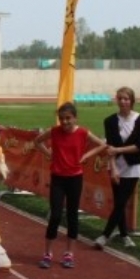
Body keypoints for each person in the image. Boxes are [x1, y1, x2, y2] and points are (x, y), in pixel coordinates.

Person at [34, 102, 108, 269]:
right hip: (58, 178)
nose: (65, 122)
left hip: (75, 178)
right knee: (55, 215)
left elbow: (102, 144)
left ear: (75, 118)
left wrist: (86, 155)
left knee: (72, 215)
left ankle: (69, 253)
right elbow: (37, 141)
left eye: (68, 118)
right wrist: (48, 154)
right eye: (62, 119)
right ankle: (47, 252)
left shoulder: (82, 133)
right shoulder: (54, 131)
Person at [95, 87, 140, 250]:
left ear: (132, 101)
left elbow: (139, 146)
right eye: (121, 99)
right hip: (116, 165)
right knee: (119, 202)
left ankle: (105, 235)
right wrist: (113, 168)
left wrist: (119, 150)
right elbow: (110, 146)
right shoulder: (110, 121)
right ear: (117, 100)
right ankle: (124, 236)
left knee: (121, 202)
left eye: (126, 99)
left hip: (132, 166)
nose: (123, 102)